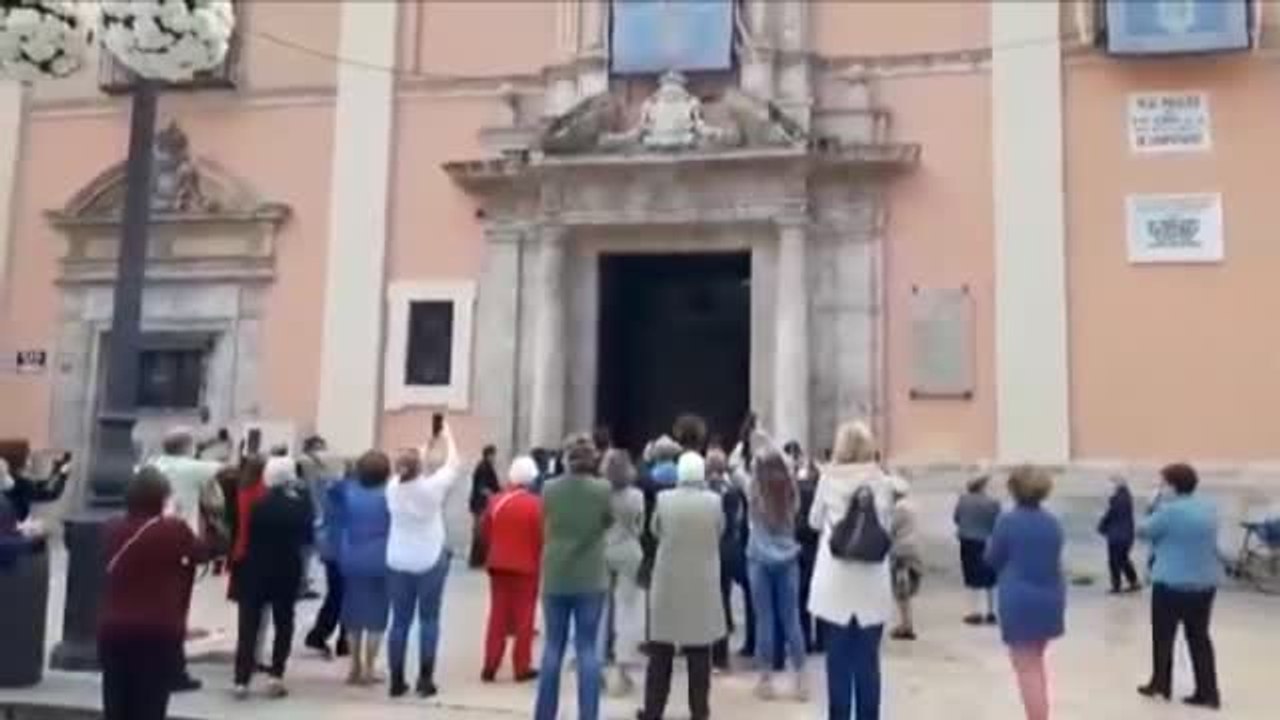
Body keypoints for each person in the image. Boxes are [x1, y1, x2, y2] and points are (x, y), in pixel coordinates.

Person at [98, 467, 211, 720]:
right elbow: (202, 552)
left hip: (114, 628)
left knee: (115, 703)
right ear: (161, 498)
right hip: (157, 630)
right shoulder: (174, 529)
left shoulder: (111, 527)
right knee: (150, 704)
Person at [808, 421, 895, 720]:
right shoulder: (882, 482)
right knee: (868, 663)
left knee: (838, 663)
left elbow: (814, 521)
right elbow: (887, 527)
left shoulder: (828, 480)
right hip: (872, 582)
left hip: (835, 582)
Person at [639, 452, 725, 720]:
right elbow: (720, 530)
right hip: (701, 581)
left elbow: (654, 530)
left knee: (660, 651)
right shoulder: (714, 501)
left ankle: (653, 710)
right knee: (700, 652)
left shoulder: (664, 499)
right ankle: (699, 711)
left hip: (669, 581)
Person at [534, 434, 612, 720]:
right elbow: (608, 521)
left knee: (553, 646)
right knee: (587, 648)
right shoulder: (602, 489)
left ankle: (544, 713)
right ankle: (588, 714)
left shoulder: (549, 488)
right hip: (590, 575)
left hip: (556, 573)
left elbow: (544, 520)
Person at [385, 423, 462, 699]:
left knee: (399, 621)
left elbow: (408, 464)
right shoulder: (432, 488)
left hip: (397, 558)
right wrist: (447, 435)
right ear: (420, 468)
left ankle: (396, 680)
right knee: (429, 619)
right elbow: (453, 464)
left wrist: (426, 445)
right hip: (429, 558)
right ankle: (425, 679)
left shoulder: (392, 487)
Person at [1137, 463, 1221, 710]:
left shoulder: (1169, 512)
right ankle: (1208, 691)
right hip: (1204, 584)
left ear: (1173, 486)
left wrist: (1151, 506)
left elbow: (1143, 532)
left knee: (1163, 636)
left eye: (1163, 484)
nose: (1161, 488)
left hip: (1171, 584)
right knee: (1199, 637)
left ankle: (1161, 683)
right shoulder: (1208, 508)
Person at [985, 466, 1066, 720]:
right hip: (1051, 596)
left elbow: (992, 558)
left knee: (1027, 668)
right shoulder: (1052, 523)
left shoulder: (1007, 522)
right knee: (1036, 662)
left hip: (1019, 599)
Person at [232, 457, 314, 699]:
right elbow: (307, 537)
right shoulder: (299, 506)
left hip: (254, 566)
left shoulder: (256, 501)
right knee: (283, 622)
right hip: (286, 568)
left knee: (248, 624)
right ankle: (276, 675)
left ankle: (241, 679)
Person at [745, 451, 807, 700]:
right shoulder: (790, 493)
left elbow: (744, 478)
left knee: (764, 620)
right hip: (788, 558)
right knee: (792, 619)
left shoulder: (755, 492)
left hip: (759, 559)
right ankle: (800, 680)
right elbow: (797, 510)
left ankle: (765, 680)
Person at [334, 450, 393, 686]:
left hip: (351, 555)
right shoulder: (389, 495)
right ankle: (369, 668)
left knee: (353, 614)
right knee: (377, 617)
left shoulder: (349, 491)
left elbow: (331, 497)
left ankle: (354, 667)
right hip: (380, 556)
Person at [482, 456, 543, 683]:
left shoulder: (495, 501)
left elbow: (486, 532)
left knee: (497, 616)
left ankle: (490, 664)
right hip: (526, 566)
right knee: (524, 618)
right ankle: (521, 666)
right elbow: (541, 536)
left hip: (498, 564)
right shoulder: (537, 504)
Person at [600, 448, 645, 696]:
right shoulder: (636, 495)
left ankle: (599, 661)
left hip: (604, 548)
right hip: (628, 548)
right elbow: (639, 525)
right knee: (627, 610)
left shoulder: (600, 494)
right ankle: (621, 667)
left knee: (601, 608)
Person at [303, 445, 350, 659]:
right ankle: (335, 637)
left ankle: (328, 634)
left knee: (337, 594)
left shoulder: (325, 489)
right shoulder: (346, 492)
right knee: (345, 595)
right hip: (346, 550)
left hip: (332, 549)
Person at [708, 447, 753, 669]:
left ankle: (718, 652)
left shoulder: (708, 492)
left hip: (715, 547)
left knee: (719, 599)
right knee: (733, 595)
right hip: (732, 547)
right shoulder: (733, 490)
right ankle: (743, 643)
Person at [954, 475, 1001, 625]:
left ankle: (973, 612)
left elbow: (956, 519)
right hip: (988, 541)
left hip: (968, 541)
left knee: (971, 576)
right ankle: (992, 612)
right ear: (983, 487)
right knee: (991, 577)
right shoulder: (993, 502)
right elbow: (998, 522)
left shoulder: (963, 500)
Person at [889, 475, 923, 641]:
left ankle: (906, 625)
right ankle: (906, 623)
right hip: (913, 550)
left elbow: (890, 528)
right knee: (905, 591)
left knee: (901, 591)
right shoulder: (912, 506)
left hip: (901, 552)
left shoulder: (899, 509)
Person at [1097, 475, 1140, 594]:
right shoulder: (1126, 497)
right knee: (1123, 559)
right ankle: (1134, 582)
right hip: (1127, 534)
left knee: (1114, 561)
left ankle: (1116, 586)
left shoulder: (1118, 499)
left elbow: (1111, 514)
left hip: (1117, 535)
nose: (1109, 486)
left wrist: (1101, 527)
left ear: (1117, 484)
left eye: (1112, 483)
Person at [470, 444, 502, 568]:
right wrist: (494, 497)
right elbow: (483, 488)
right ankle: (477, 560)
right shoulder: (484, 467)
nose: (495, 458)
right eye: (494, 455)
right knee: (480, 532)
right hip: (481, 505)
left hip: (480, 504)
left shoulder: (486, 466)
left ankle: (478, 560)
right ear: (489, 455)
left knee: (480, 531)